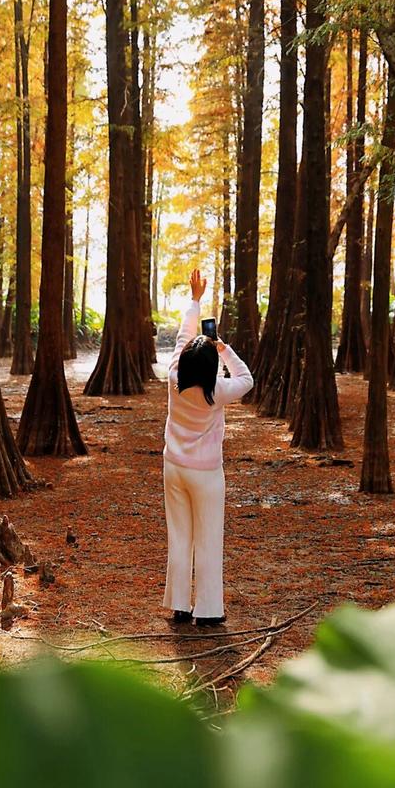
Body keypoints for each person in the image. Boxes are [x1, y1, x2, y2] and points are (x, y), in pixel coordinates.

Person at [162, 268, 253, 626]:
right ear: (212, 365)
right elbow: (246, 378)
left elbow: (183, 335)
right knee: (209, 539)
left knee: (180, 536)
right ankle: (209, 611)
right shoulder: (218, 391)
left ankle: (180, 606)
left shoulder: (174, 379)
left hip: (174, 469)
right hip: (207, 475)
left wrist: (195, 300)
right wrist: (223, 347)